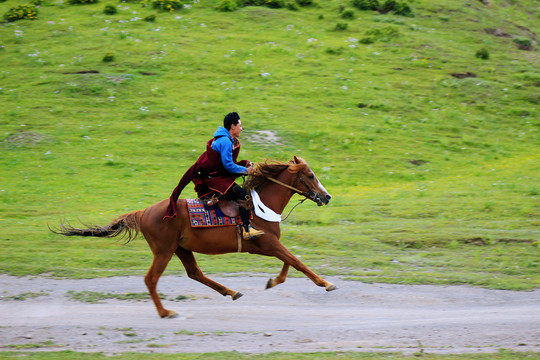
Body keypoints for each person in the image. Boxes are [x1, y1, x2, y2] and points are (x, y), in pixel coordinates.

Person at [163, 112, 264, 239]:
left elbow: (224, 164)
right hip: (215, 181)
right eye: (240, 125)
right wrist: (246, 170)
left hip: (216, 177)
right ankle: (247, 228)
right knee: (243, 195)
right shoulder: (226, 142)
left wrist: (244, 164)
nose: (241, 128)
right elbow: (228, 165)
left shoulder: (224, 139)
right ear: (232, 126)